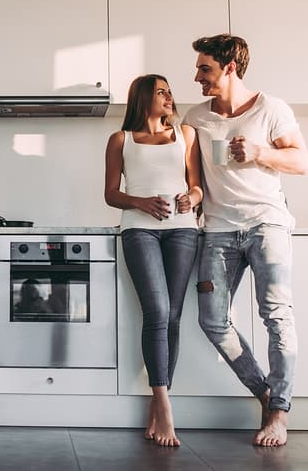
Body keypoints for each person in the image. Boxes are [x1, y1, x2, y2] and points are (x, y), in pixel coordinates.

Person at [184, 34, 308, 447]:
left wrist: (259, 152)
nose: (198, 76)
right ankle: (266, 393)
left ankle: (278, 414)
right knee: (213, 320)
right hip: (218, 229)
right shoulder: (196, 116)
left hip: (266, 224)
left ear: (229, 67)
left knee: (276, 315)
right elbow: (191, 174)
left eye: (205, 68)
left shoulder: (272, 109)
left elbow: (300, 161)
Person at [104, 74, 203, 447]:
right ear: (143, 97)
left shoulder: (186, 135)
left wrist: (190, 199)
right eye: (161, 91)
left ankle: (158, 401)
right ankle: (163, 404)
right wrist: (141, 202)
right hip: (138, 231)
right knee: (157, 312)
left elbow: (197, 186)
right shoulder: (121, 140)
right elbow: (111, 193)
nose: (169, 96)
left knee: (173, 317)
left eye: (169, 91)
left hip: (183, 230)